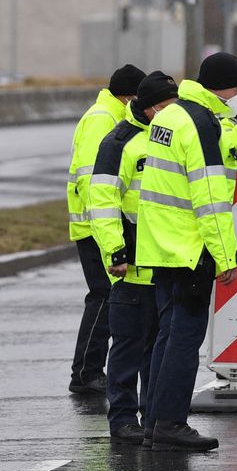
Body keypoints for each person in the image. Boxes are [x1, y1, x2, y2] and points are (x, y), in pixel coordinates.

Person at [136, 52, 237, 451]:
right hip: (190, 247)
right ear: (228, 87)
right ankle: (170, 423)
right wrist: (226, 255)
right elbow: (210, 196)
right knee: (183, 339)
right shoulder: (201, 123)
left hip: (161, 245)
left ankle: (154, 421)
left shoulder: (170, 115)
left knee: (166, 336)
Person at [87, 71, 178, 445]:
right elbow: (103, 201)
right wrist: (115, 251)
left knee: (158, 348)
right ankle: (123, 419)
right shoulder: (118, 143)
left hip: (165, 261)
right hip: (131, 264)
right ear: (150, 106)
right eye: (166, 107)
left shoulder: (168, 137)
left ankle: (154, 416)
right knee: (127, 344)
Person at [65, 63, 145, 395]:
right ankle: (85, 372)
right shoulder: (103, 119)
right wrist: (103, 225)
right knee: (103, 296)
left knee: (106, 296)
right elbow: (92, 177)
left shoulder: (112, 116)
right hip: (95, 225)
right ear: (130, 97)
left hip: (98, 223)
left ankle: (89, 370)